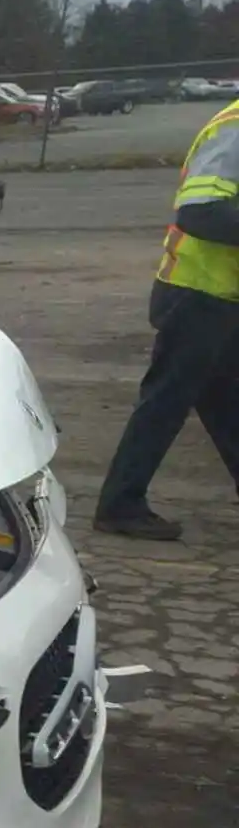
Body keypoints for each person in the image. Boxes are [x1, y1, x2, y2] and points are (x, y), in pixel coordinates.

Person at [94, 98, 239, 540]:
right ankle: (119, 504)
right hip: (196, 292)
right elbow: (199, 211)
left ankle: (121, 502)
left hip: (220, 293)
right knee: (167, 401)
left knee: (224, 400)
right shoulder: (235, 129)